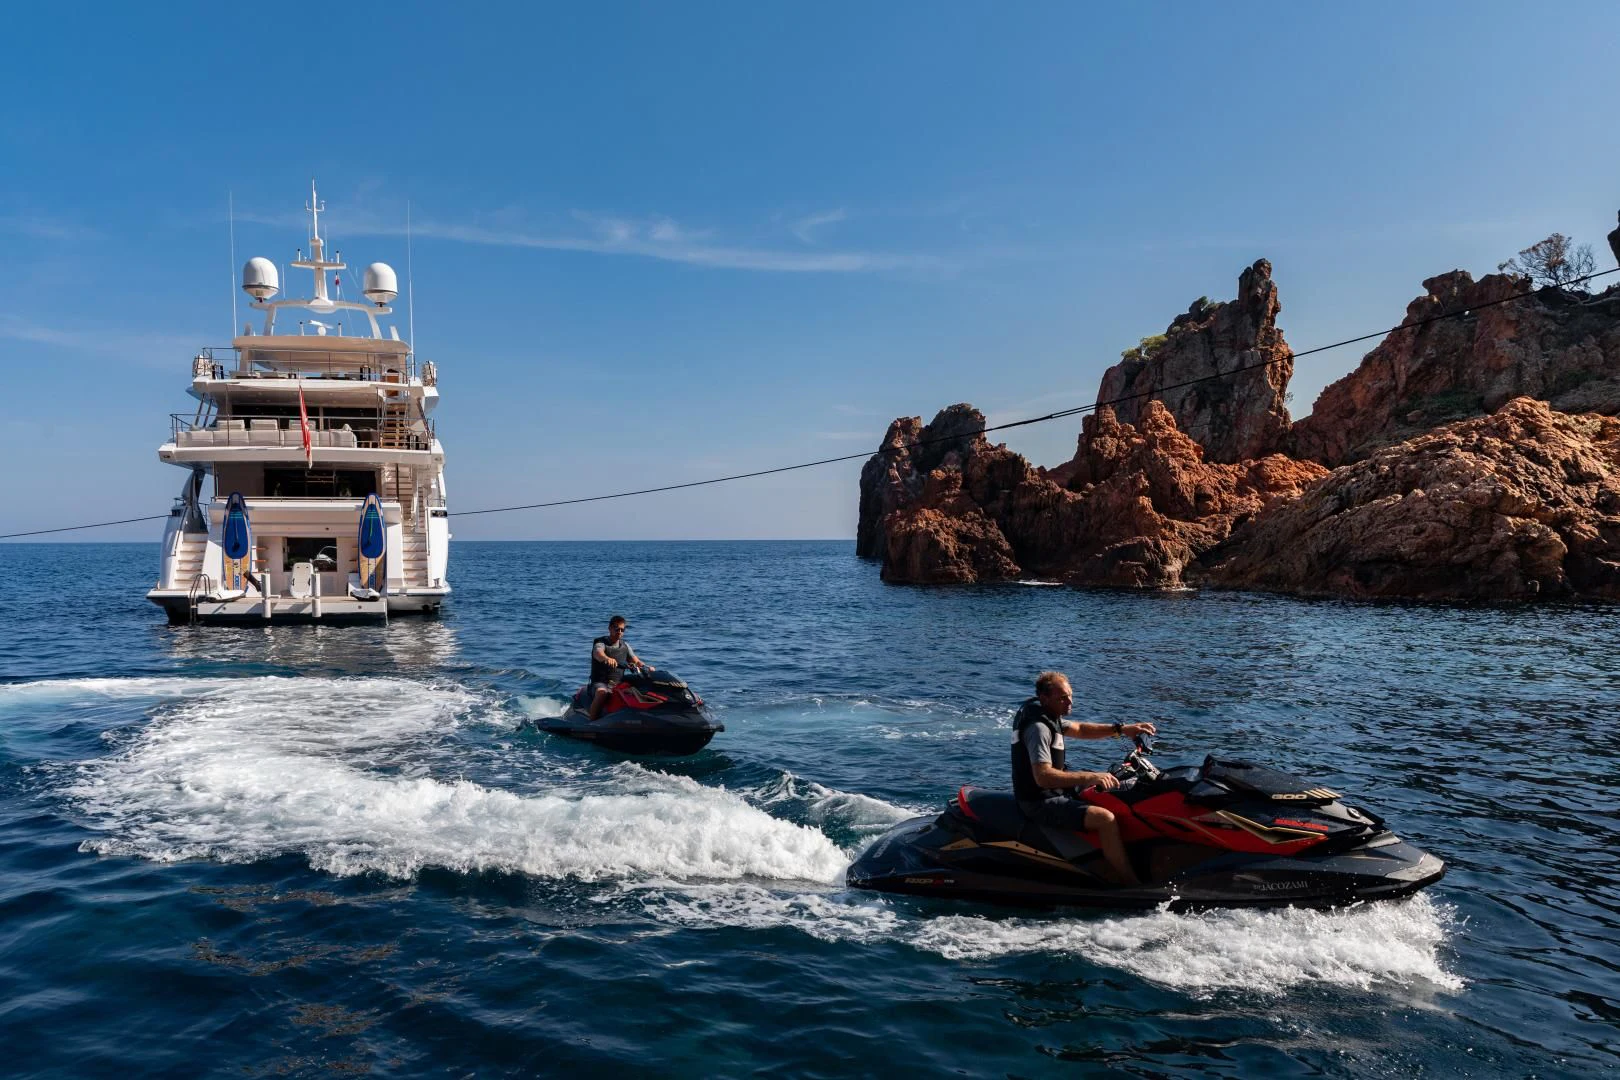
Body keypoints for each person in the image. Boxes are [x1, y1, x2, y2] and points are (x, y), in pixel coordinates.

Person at [1011, 671, 1155, 885]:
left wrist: (1122, 730)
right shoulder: (1038, 728)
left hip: (1056, 792)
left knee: (1119, 793)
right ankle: (1130, 883)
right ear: (1044, 699)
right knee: (1105, 819)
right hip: (1040, 801)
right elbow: (1043, 777)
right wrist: (1092, 777)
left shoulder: (1049, 715)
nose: (1069, 702)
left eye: (1070, 695)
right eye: (1062, 698)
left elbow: (1079, 729)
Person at [587, 615, 653, 720]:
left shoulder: (625, 646)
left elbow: (636, 661)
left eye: (622, 629)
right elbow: (598, 653)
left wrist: (647, 667)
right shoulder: (601, 643)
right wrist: (606, 658)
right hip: (600, 683)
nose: (620, 632)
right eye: (617, 629)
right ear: (610, 628)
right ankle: (591, 721)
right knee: (602, 692)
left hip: (617, 684)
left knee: (641, 690)